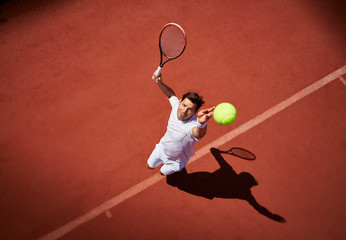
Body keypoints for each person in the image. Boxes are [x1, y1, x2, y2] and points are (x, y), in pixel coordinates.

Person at [147, 73, 215, 175]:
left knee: (162, 173)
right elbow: (170, 95)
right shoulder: (176, 107)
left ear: (194, 112)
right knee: (150, 166)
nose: (184, 111)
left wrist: (201, 123)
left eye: (190, 109)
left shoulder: (191, 126)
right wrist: (160, 83)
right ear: (180, 102)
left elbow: (198, 133)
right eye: (184, 105)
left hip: (176, 162)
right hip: (161, 149)